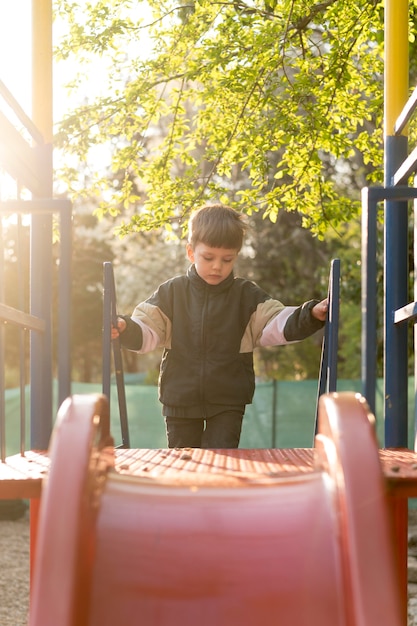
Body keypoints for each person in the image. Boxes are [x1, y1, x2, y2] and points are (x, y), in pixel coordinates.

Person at [112, 203, 328, 449]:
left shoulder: (246, 296)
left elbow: (277, 322)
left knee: (221, 458)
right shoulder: (172, 293)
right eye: (208, 257)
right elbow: (147, 329)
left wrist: (310, 314)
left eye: (227, 259)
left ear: (236, 256)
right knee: (184, 463)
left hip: (228, 399)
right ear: (191, 252)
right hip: (180, 398)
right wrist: (126, 329)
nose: (217, 266)